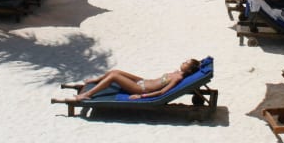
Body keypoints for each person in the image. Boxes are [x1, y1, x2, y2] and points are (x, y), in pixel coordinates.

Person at [66, 58, 202, 101]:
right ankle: (96, 81)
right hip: (142, 81)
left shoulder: (177, 78)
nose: (183, 62)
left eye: (186, 63)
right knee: (115, 71)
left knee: (114, 76)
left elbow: (162, 93)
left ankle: (87, 95)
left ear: (189, 70)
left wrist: (141, 96)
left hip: (140, 88)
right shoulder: (177, 72)